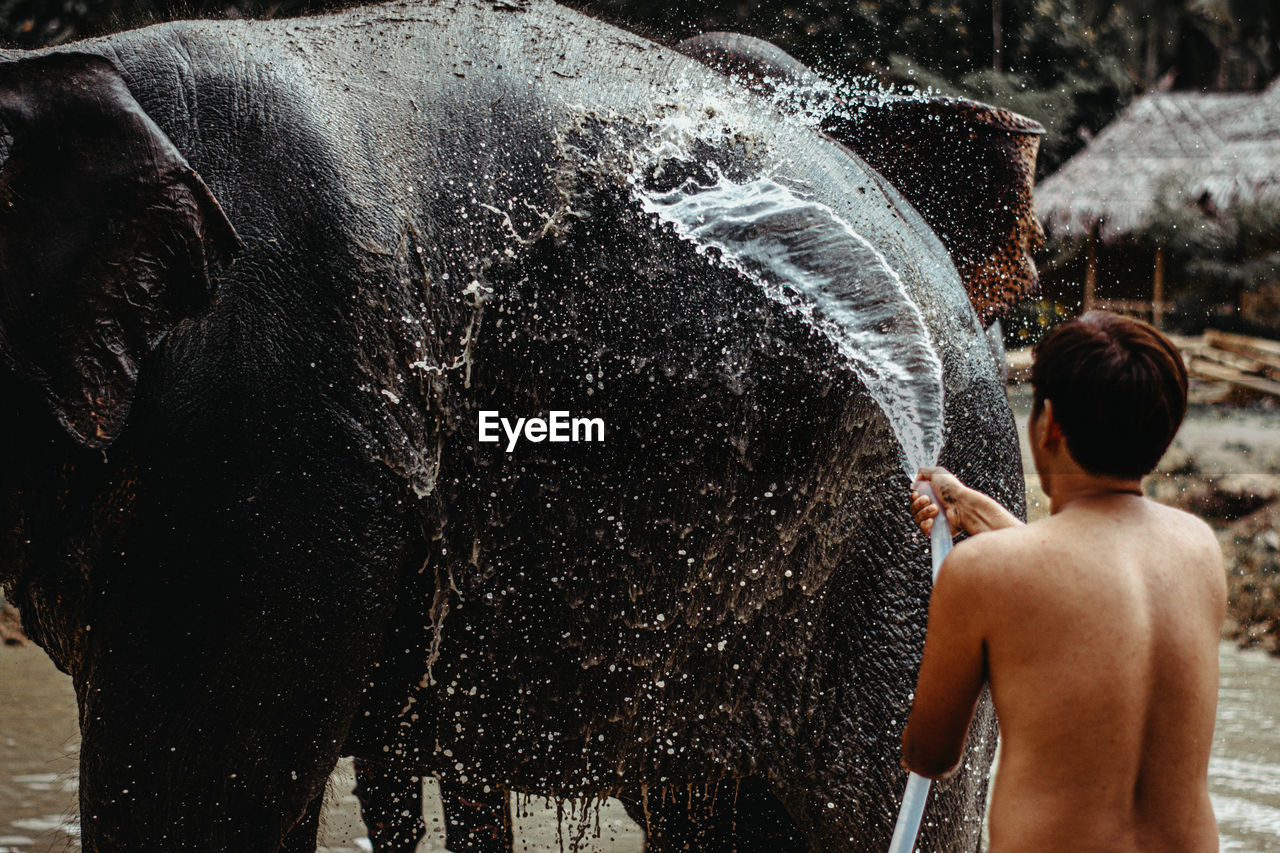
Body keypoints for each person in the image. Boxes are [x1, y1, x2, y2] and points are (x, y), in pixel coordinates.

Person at [902, 311, 1225, 852]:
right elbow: (1090, 582)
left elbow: (930, 756)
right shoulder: (1198, 550)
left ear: (1047, 422)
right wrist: (980, 515)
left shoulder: (981, 574)